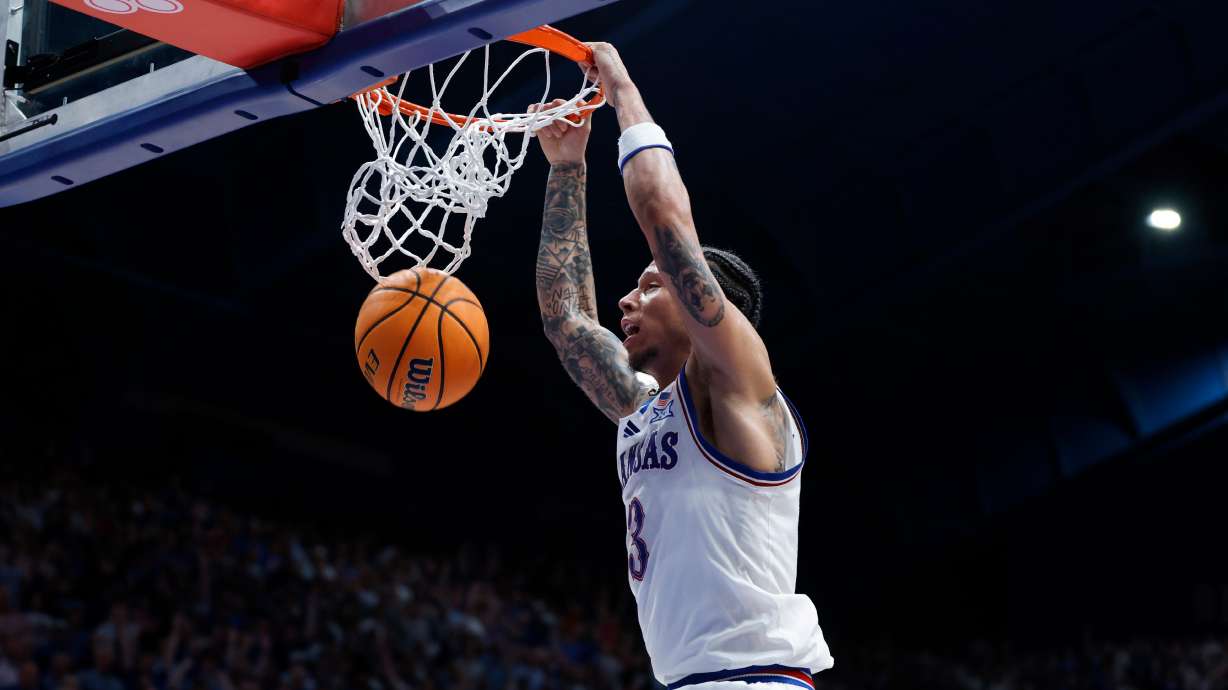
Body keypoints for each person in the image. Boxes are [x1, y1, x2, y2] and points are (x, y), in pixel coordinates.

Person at [532, 42, 834, 690]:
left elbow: (663, 218)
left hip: (756, 680)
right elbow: (567, 321)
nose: (626, 298)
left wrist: (622, 90)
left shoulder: (738, 388)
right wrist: (567, 167)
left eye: (649, 286)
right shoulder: (642, 405)